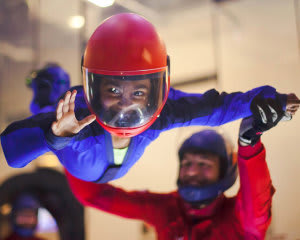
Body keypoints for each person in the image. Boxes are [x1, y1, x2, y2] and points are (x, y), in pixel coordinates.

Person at [1, 13, 299, 183]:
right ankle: (49, 84)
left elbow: (217, 107)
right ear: (94, 88)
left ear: (157, 89)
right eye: (113, 90)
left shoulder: (165, 110)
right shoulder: (75, 117)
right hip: (80, 168)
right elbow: (12, 152)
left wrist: (269, 98)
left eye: (139, 92)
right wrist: (57, 138)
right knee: (48, 103)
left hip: (91, 172)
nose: (126, 103)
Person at [65, 97, 289, 240]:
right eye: (187, 163)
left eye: (204, 164)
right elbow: (94, 196)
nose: (191, 171)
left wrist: (249, 144)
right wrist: (69, 144)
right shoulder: (165, 208)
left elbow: (256, 202)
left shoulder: (238, 219)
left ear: (224, 172)